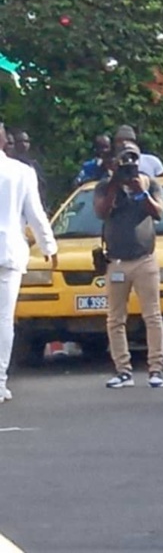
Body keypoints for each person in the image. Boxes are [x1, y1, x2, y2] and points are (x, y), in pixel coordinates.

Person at [93, 141, 163, 389]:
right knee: (115, 318)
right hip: (116, 261)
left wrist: (140, 192)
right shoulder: (105, 186)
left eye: (134, 158)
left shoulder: (149, 183)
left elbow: (158, 213)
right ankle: (123, 370)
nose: (130, 164)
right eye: (125, 159)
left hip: (145, 259)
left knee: (152, 315)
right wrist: (115, 184)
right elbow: (101, 212)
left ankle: (155, 369)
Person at [0, 124, 57, 403]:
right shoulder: (21, 172)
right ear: (4, 142)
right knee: (3, 319)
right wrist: (49, 246)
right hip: (8, 252)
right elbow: (35, 214)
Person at [12, 130, 47, 206]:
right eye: (20, 141)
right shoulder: (9, 164)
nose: (24, 144)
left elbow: (41, 186)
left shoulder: (34, 164)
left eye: (26, 141)